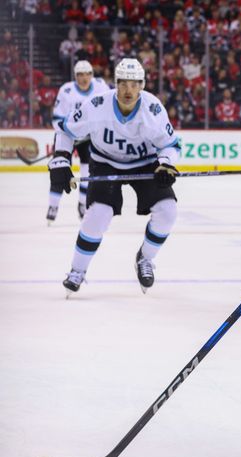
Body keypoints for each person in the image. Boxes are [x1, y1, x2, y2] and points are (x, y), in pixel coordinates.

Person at [49, 58, 180, 296]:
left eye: (134, 84)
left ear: (142, 85)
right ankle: (77, 271)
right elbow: (66, 131)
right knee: (97, 216)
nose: (128, 90)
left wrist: (166, 164)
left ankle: (145, 259)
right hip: (106, 163)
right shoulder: (96, 105)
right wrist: (60, 159)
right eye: (123, 84)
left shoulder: (153, 109)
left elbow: (171, 145)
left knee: (168, 210)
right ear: (115, 84)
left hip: (145, 163)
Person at [47, 60, 110, 225]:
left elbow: (108, 111)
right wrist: (72, 134)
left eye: (87, 74)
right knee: (59, 169)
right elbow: (57, 119)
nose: (84, 78)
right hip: (68, 135)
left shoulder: (101, 87)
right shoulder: (66, 91)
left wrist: (93, 130)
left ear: (92, 75)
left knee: (87, 172)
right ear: (75, 76)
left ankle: (82, 204)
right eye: (80, 75)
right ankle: (53, 206)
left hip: (89, 138)